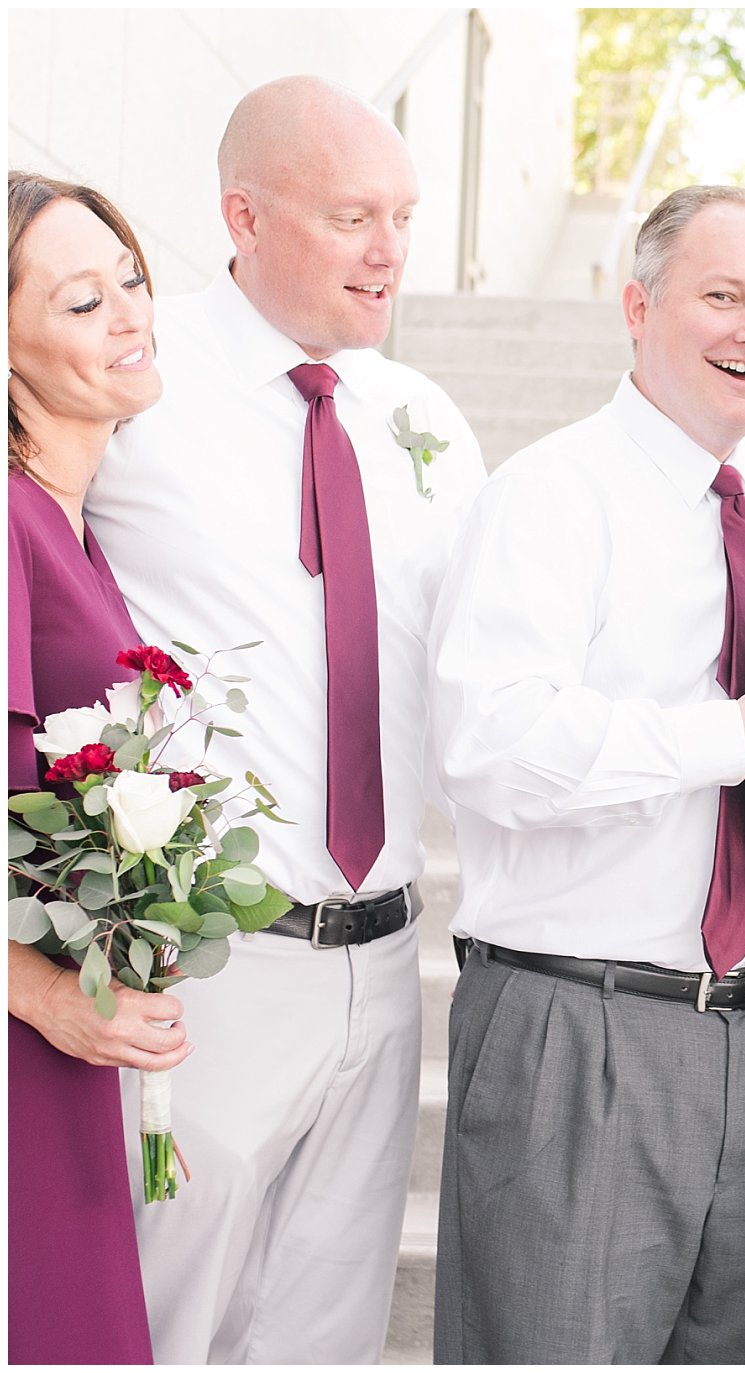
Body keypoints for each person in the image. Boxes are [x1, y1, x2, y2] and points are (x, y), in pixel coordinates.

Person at [426, 184, 745, 1363]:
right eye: (722, 296)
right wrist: (728, 739)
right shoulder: (548, 495)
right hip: (580, 1031)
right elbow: (491, 740)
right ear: (635, 306)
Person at [85, 77, 486, 1363]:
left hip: (383, 957)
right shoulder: (135, 385)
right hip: (213, 963)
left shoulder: (424, 419)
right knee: (162, 1316)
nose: (390, 250)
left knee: (323, 1332)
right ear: (242, 216)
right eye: (353, 215)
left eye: (406, 216)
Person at [6, 171, 179, 1367]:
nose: (129, 316)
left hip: (60, 1045)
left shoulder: (78, 526)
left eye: (129, 280)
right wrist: (43, 990)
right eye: (82, 300)